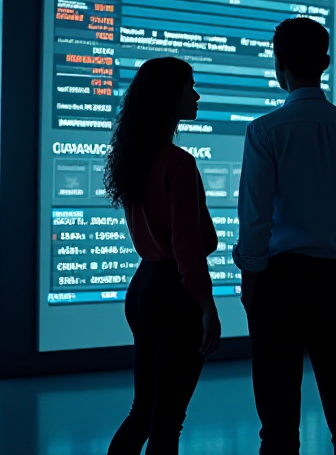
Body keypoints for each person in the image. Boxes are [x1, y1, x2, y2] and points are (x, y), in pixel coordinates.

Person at [234, 17, 336, 455]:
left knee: (277, 424)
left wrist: (251, 282)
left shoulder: (265, 130)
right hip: (335, 282)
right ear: (326, 63)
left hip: (278, 283)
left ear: (279, 65)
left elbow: (255, 219)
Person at [105, 57, 222, 455]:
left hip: (144, 288)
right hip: (174, 294)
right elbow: (187, 246)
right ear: (168, 96)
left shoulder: (136, 157)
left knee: (144, 411)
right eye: (189, 87)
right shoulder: (179, 163)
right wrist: (207, 305)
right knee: (167, 424)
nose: (196, 95)